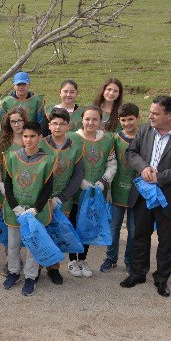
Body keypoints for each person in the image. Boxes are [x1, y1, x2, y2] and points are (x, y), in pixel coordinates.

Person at [121, 95, 171, 297]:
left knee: (166, 240)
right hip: (142, 196)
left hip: (169, 197)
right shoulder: (145, 130)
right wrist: (144, 167)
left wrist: (160, 177)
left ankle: (162, 278)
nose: (150, 116)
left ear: (170, 115)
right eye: (150, 112)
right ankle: (138, 273)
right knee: (139, 235)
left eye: (155, 113)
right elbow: (131, 153)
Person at [1, 122, 55, 295]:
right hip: (14, 209)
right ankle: (14, 272)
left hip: (35, 211)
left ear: (40, 137)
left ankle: (31, 277)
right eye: (25, 136)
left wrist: (36, 209)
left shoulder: (47, 159)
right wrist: (14, 206)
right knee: (13, 244)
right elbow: (7, 184)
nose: (28, 140)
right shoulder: (12, 157)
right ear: (21, 137)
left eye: (32, 136)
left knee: (33, 246)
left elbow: (48, 188)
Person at [69, 105, 116, 277]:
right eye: (87, 119)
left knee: (88, 225)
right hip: (76, 192)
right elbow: (68, 163)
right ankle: (72, 260)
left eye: (95, 119)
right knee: (74, 224)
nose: (90, 122)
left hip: (96, 193)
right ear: (82, 119)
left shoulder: (107, 139)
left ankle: (83, 259)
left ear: (100, 121)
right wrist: (79, 181)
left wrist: (104, 181)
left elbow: (112, 163)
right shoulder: (72, 138)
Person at [40, 108, 83, 285]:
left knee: (56, 234)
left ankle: (54, 268)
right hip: (41, 200)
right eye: (54, 123)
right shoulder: (40, 144)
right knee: (40, 233)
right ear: (49, 126)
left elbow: (77, 176)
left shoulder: (76, 148)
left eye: (62, 124)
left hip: (62, 200)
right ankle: (35, 267)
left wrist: (63, 197)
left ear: (68, 126)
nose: (58, 127)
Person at [100, 103, 140, 274]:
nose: (127, 123)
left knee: (133, 229)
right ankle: (111, 258)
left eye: (130, 119)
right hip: (116, 190)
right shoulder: (114, 138)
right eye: (123, 120)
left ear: (138, 118)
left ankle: (129, 260)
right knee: (114, 227)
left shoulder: (144, 137)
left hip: (137, 191)